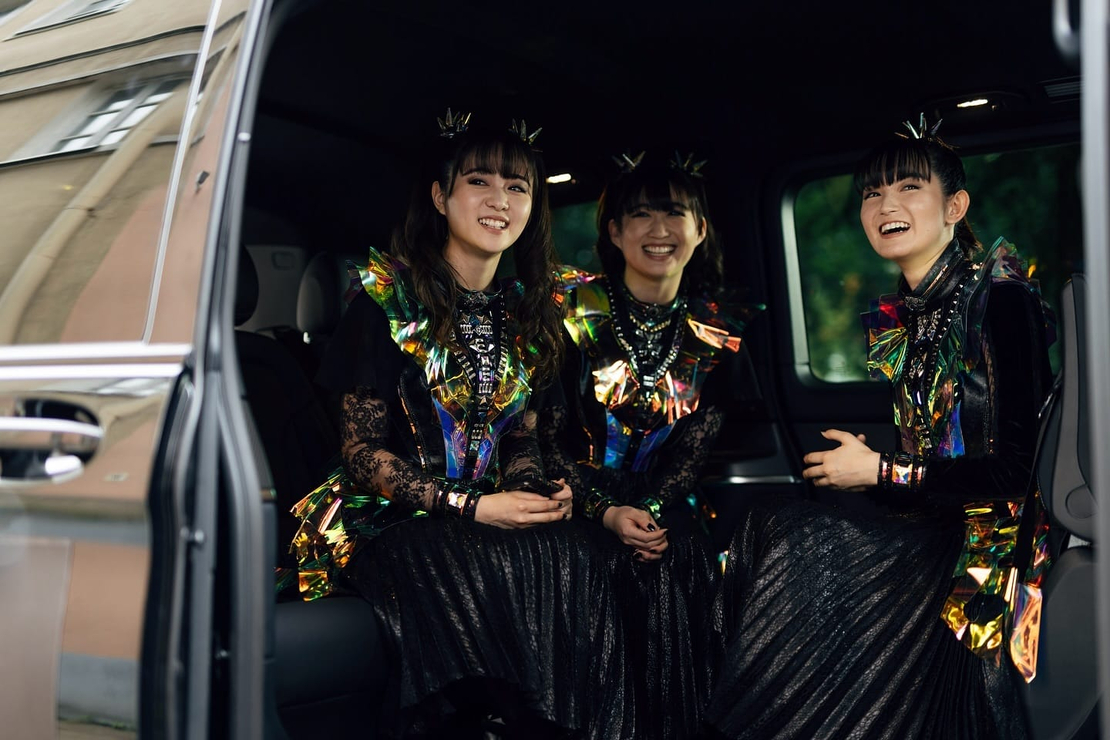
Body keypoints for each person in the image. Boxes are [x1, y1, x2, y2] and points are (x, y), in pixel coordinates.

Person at [702, 116, 1056, 740]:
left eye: (908, 188)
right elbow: (935, 461)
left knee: (787, 538)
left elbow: (1014, 474)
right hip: (930, 527)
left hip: (985, 546)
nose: (886, 205)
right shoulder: (912, 314)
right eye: (872, 192)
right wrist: (875, 469)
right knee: (767, 529)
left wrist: (880, 470)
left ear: (955, 207)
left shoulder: (1000, 300)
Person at [286, 112, 629, 740]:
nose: (500, 200)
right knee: (460, 556)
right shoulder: (386, 304)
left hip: (486, 509)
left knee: (577, 549)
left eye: (518, 187)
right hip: (389, 515)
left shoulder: (529, 313)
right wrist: (471, 506)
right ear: (441, 198)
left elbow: (521, 436)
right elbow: (361, 454)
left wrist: (530, 491)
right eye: (479, 182)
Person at [538, 152, 764, 740]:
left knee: (679, 559)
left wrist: (651, 510)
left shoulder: (717, 330)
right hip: (572, 498)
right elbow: (544, 440)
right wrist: (605, 511)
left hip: (662, 502)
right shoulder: (569, 311)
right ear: (614, 232)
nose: (659, 229)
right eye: (640, 214)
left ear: (700, 230)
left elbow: (693, 453)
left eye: (674, 213)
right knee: (589, 564)